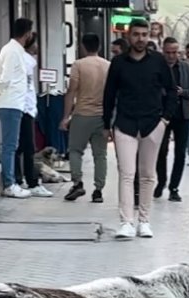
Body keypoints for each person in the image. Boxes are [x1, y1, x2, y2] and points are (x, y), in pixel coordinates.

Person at [103, 19, 176, 240]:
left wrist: (165, 120)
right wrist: (107, 124)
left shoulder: (158, 61)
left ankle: (144, 222)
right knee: (126, 174)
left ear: (149, 37)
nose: (141, 39)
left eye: (144, 34)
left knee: (147, 176)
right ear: (129, 36)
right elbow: (109, 94)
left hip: (152, 124)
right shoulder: (118, 63)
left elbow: (171, 91)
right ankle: (126, 222)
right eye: (136, 34)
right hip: (124, 124)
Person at [0, 18, 39, 199]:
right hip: (10, 102)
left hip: (15, 103)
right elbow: (6, 78)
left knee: (12, 145)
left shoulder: (15, 50)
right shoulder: (12, 51)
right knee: (10, 146)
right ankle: (9, 183)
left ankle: (11, 181)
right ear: (27, 34)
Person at [60, 33, 111, 203]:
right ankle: (98, 191)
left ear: (82, 46)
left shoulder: (78, 65)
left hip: (81, 114)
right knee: (100, 155)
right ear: (99, 47)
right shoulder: (108, 65)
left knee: (75, 150)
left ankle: (77, 183)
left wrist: (66, 117)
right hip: (101, 116)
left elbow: (71, 91)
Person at [13, 38, 53, 197]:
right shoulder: (26, 62)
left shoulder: (27, 61)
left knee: (21, 146)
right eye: (35, 43)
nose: (38, 46)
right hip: (25, 108)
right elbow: (26, 88)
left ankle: (19, 178)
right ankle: (31, 181)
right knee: (28, 147)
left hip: (25, 108)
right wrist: (30, 108)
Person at [154, 37, 189, 203]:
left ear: (179, 52)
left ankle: (174, 187)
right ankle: (161, 181)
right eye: (168, 52)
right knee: (160, 151)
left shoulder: (185, 68)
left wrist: (182, 92)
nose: (171, 56)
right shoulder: (157, 67)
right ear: (163, 51)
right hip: (161, 115)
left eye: (174, 52)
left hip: (182, 115)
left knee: (180, 152)